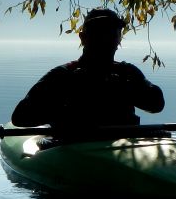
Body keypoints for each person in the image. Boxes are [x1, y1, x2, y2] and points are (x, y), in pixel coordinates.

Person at [11, 8, 164, 134]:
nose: (106, 38)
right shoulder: (63, 75)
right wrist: (66, 104)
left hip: (125, 149)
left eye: (113, 32)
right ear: (83, 38)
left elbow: (157, 105)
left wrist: (125, 90)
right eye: (99, 32)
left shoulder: (128, 73)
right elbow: (20, 117)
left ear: (119, 39)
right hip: (75, 150)